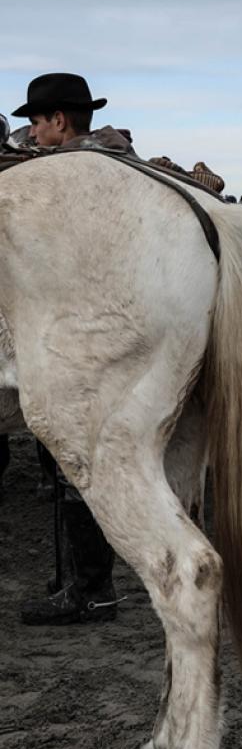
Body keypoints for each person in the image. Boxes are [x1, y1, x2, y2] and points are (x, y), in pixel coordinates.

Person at [11, 73, 122, 625]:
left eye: (35, 120)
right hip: (106, 330)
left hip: (78, 332)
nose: (30, 132)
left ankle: (90, 588)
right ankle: (76, 578)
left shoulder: (63, 178)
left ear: (58, 120)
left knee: (73, 458)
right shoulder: (119, 165)